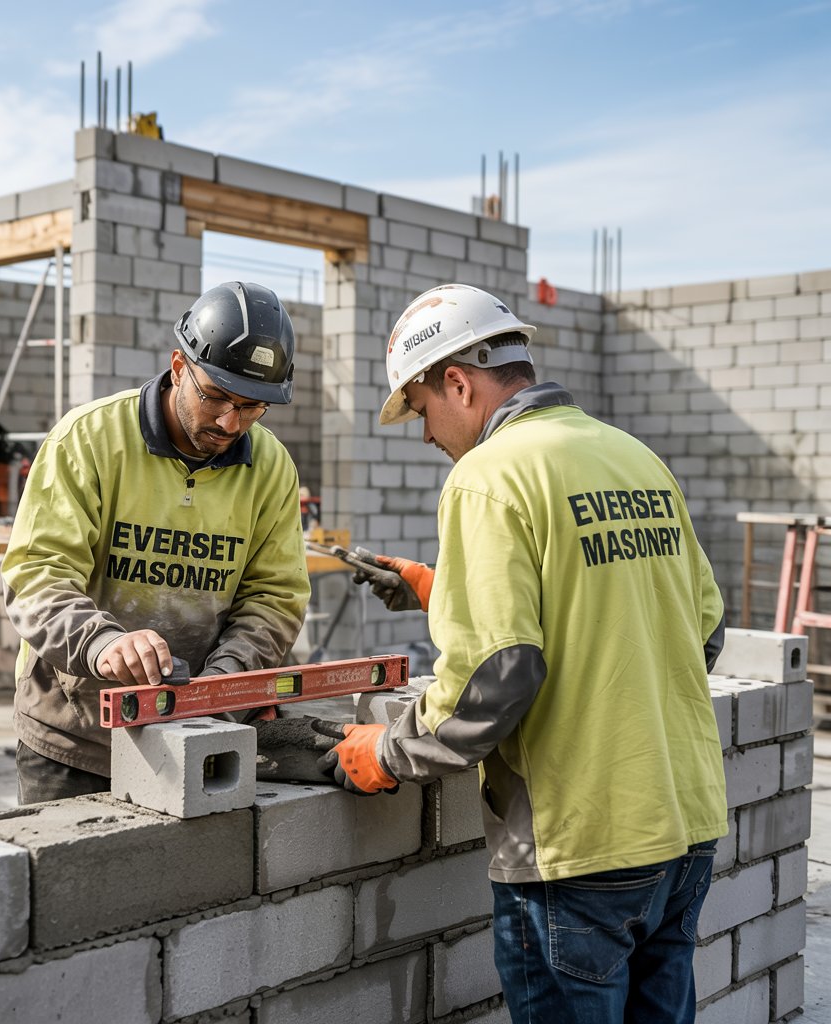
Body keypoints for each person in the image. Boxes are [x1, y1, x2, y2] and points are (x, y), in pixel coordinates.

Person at [321, 283, 728, 1023]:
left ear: (457, 381)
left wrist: (390, 749)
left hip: (578, 850)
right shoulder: (632, 456)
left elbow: (494, 677)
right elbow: (694, 631)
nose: (425, 433)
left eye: (419, 408)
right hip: (681, 828)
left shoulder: (487, 476)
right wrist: (444, 588)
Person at [2, 281, 311, 804]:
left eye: (253, 407)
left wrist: (224, 686)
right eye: (215, 397)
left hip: (198, 730)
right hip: (74, 736)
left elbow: (275, 598)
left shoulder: (271, 466)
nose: (230, 422)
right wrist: (103, 644)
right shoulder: (89, 439)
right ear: (178, 367)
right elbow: (38, 574)